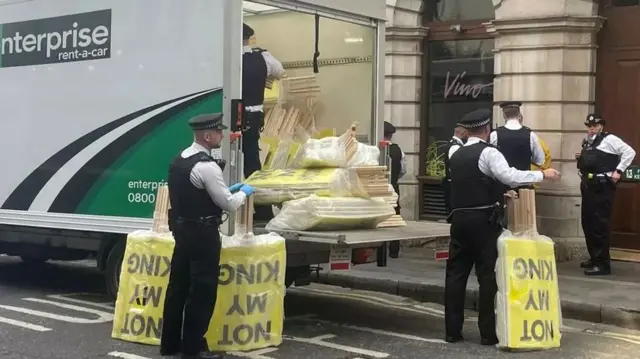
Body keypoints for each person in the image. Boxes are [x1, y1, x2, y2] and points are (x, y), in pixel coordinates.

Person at [445, 108, 561, 345]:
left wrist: (498, 194)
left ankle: (452, 332)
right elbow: (510, 176)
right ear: (487, 129)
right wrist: (543, 175)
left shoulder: (455, 153)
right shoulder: (488, 153)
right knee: (487, 277)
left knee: (456, 275)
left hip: (458, 220)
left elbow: (471, 183)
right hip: (484, 222)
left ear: (466, 131)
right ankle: (487, 334)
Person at [161, 113, 255, 359]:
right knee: (202, 290)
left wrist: (224, 191)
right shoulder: (207, 166)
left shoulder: (179, 159)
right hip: (203, 234)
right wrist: (243, 192)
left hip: (181, 232)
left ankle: (170, 344)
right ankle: (192, 349)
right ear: (207, 136)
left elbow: (195, 194)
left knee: (177, 287)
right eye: (218, 133)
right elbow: (229, 204)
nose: (221, 136)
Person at [576, 114, 635, 276]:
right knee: (588, 223)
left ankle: (603, 264)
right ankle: (594, 258)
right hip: (589, 185)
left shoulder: (610, 139)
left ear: (601, 126)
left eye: (595, 125)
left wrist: (618, 171)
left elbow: (629, 152)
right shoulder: (588, 141)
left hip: (601, 186)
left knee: (599, 225)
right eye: (589, 126)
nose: (591, 128)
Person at [241, 23, 285, 222]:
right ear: (249, 39)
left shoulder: (226, 57)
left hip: (231, 116)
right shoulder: (263, 57)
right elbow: (279, 72)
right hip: (253, 117)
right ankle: (261, 208)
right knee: (251, 162)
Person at [490, 101, 545, 175]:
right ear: (519, 114)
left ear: (504, 115)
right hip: (524, 182)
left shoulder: (494, 135)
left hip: (501, 184)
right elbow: (540, 161)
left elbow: (489, 160)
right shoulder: (530, 135)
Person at [384, 121, 406, 258]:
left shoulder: (376, 149)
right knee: (395, 218)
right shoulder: (399, 151)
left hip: (378, 190)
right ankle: (394, 251)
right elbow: (403, 171)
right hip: (394, 188)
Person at [443, 125, 467, 215]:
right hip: (454, 182)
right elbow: (456, 166)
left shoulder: (455, 145)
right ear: (462, 133)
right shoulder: (455, 147)